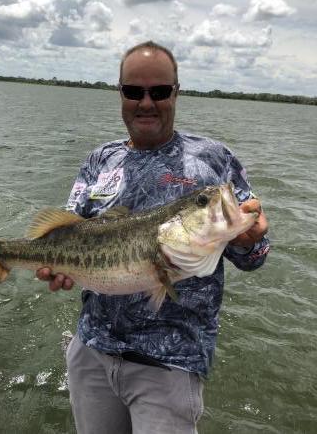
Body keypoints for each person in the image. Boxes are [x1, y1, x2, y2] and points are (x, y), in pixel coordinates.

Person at [37, 41, 269, 434]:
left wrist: (249, 241)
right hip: (92, 351)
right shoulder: (100, 159)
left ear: (176, 92)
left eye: (159, 92)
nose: (147, 103)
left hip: (170, 366)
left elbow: (255, 255)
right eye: (134, 91)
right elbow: (69, 232)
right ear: (121, 93)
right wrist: (57, 269)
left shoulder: (214, 160)